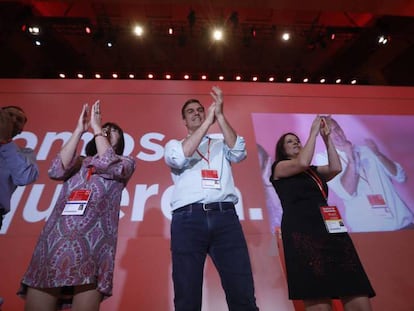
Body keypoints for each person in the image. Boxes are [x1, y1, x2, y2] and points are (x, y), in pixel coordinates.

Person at [18, 101, 136, 310]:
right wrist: (79, 130)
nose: (107, 131)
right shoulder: (79, 162)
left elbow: (108, 162)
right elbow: (55, 170)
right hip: (55, 241)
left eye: (113, 131)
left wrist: (98, 128)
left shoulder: (125, 162)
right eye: (104, 129)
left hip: (94, 245)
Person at [164, 86, 259, 311]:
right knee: (187, 294)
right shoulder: (173, 145)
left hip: (225, 216)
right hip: (188, 220)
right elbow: (179, 158)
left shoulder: (220, 143)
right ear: (184, 120)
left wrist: (221, 117)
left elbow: (239, 152)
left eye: (200, 109)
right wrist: (207, 122)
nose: (197, 113)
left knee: (242, 291)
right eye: (191, 111)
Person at [270, 115, 375, 311]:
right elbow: (301, 163)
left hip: (331, 229)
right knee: (316, 290)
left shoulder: (312, 171)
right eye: (290, 142)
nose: (296, 143)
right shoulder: (280, 167)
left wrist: (326, 140)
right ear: (282, 150)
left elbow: (336, 167)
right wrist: (313, 133)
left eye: (297, 140)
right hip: (302, 231)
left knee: (353, 284)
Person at [315, 117, 414, 232]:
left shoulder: (367, 150)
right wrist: (351, 160)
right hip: (368, 230)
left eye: (337, 129)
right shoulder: (323, 159)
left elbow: (400, 176)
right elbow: (346, 192)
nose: (336, 134)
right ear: (324, 137)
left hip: (403, 224)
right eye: (330, 132)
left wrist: (378, 155)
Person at [0, 106, 39, 230]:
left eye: (19, 119)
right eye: (9, 115)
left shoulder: (25, 153)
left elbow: (25, 178)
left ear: (21, 130)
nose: (13, 120)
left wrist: (5, 141)